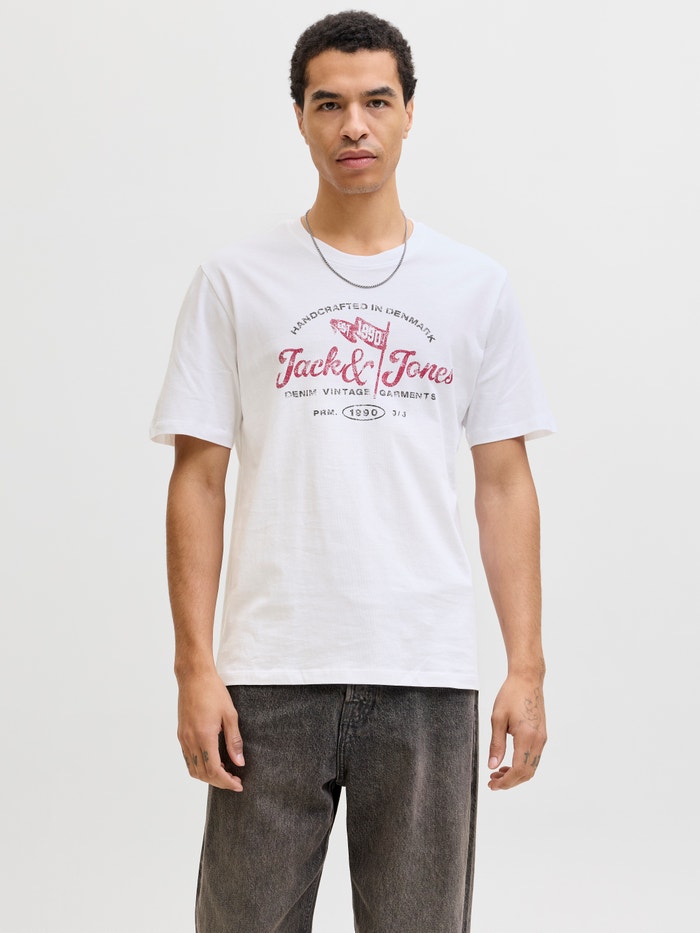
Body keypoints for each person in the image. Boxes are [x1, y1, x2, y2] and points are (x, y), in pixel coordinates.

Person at [150, 10, 555, 932]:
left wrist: (526, 666)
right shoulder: (234, 281)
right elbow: (198, 481)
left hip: (425, 670)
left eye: (376, 101)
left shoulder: (475, 287)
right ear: (300, 117)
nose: (354, 126)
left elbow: (504, 482)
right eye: (328, 104)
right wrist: (194, 667)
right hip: (268, 675)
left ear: (409, 112)